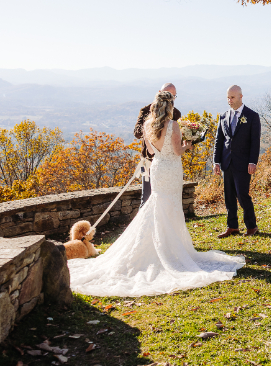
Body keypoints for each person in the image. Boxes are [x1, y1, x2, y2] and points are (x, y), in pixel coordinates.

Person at [69, 91, 245, 296]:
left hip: (158, 168)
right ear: (169, 106)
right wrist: (187, 145)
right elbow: (178, 151)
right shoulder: (173, 125)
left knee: (156, 204)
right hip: (171, 169)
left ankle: (154, 245)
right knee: (171, 207)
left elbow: (152, 152)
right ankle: (170, 249)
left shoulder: (147, 125)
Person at [214, 85, 262, 238]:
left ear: (241, 97)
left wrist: (253, 161)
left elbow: (255, 141)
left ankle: (251, 226)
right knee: (228, 196)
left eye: (232, 97)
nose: (230, 100)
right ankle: (232, 226)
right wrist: (216, 162)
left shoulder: (252, 116)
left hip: (244, 163)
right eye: (228, 97)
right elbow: (219, 140)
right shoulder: (223, 116)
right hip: (227, 161)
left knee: (242, 195)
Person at [133, 82, 181, 208]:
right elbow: (136, 133)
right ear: (159, 93)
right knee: (146, 196)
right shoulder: (145, 111)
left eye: (174, 96)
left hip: (167, 162)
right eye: (169, 95)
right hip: (146, 160)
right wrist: (151, 129)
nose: (172, 99)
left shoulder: (176, 113)